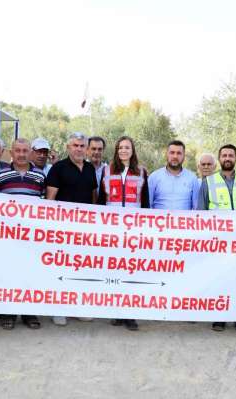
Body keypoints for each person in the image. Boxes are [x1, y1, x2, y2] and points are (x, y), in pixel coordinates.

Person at [197, 144, 236, 334]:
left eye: (231, 155)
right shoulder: (208, 181)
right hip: (217, 240)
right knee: (219, 278)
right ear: (219, 159)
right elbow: (201, 211)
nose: (227, 158)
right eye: (224, 155)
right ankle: (219, 317)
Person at [0, 138, 47, 330]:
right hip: (8, 235)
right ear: (11, 153)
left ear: (30, 152)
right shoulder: (1, 175)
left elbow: (44, 205)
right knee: (8, 273)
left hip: (32, 236)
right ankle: (8, 313)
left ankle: (29, 313)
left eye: (25, 150)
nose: (21, 154)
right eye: (18, 150)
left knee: (30, 273)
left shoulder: (40, 176)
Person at [46, 132, 98, 326]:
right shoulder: (58, 168)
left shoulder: (91, 169)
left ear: (86, 148)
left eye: (82, 146)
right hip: (62, 229)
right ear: (68, 147)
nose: (78, 149)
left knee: (81, 269)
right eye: (75, 145)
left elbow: (93, 196)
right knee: (60, 269)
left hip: (85, 230)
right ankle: (58, 309)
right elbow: (50, 200)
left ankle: (79, 307)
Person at [98, 136, 149, 331]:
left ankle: (130, 314)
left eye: (127, 147)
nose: (123, 151)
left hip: (134, 228)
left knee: (132, 270)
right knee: (114, 270)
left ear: (132, 150)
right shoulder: (106, 170)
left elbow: (145, 202)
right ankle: (115, 311)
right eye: (120, 148)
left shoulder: (142, 171)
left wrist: (145, 227)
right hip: (112, 228)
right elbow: (102, 200)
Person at [148, 140, 198, 210]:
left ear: (184, 156)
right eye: (172, 153)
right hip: (159, 220)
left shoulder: (192, 178)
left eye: (179, 153)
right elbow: (147, 205)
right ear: (167, 154)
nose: (175, 156)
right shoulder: (154, 177)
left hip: (183, 220)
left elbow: (196, 207)